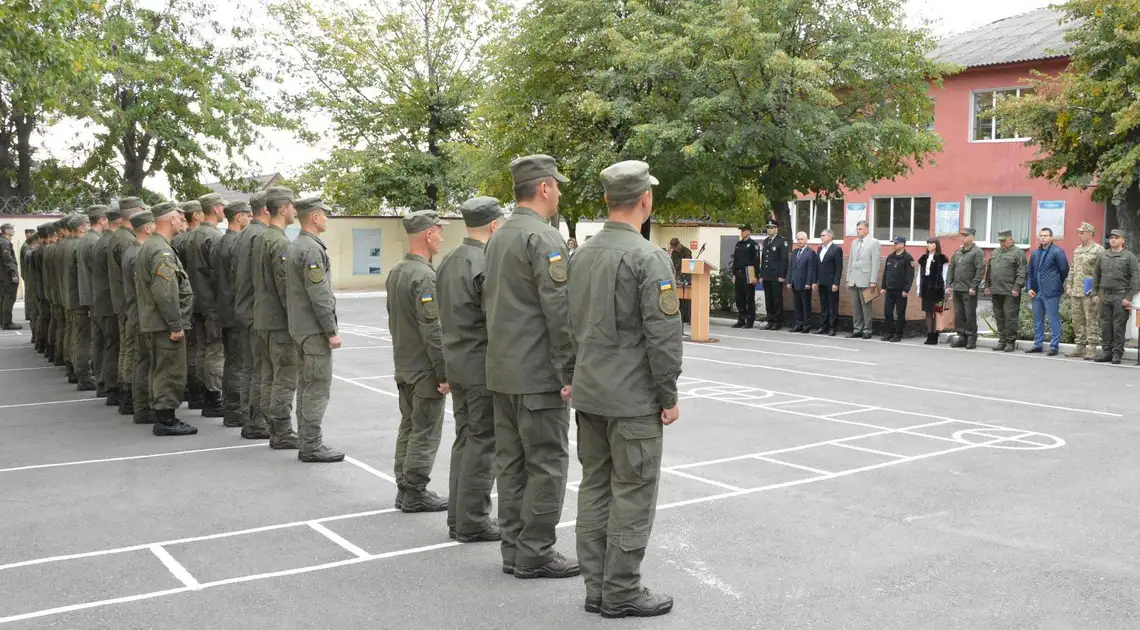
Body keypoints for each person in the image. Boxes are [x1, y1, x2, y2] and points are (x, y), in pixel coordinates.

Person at [567, 160, 680, 618]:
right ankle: (622, 590)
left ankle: (597, 588)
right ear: (645, 200)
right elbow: (663, 336)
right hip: (632, 398)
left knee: (595, 486)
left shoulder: (581, 254)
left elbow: (566, 325)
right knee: (632, 491)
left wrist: (570, 376)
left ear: (608, 201)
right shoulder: (648, 257)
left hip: (590, 392)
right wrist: (668, 394)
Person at [484, 154, 578, 579]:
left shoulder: (498, 237)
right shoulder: (545, 239)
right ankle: (535, 550)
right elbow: (559, 311)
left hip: (502, 369)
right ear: (543, 188)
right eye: (556, 185)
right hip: (538, 374)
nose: (559, 192)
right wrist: (571, 371)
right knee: (546, 462)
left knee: (511, 462)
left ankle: (513, 549)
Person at [436, 196, 502, 542]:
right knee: (482, 442)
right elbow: (494, 319)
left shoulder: (449, 260)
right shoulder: (484, 262)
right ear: (494, 225)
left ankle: (458, 517)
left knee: (465, 439)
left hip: (458, 363)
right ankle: (473, 519)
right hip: (480, 366)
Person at [386, 210, 450, 510]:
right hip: (423, 368)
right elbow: (433, 330)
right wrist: (444, 373)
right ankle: (414, 491)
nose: (441, 236)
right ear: (427, 234)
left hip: (404, 363)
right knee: (424, 430)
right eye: (439, 231)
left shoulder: (398, 271)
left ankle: (404, 486)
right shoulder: (424, 276)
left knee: (409, 426)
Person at [286, 196, 345, 462]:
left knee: (306, 385)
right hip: (313, 331)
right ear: (314, 217)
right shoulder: (310, 249)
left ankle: (306, 440)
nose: (327, 218)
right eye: (324, 214)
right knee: (316, 388)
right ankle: (311, 444)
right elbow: (319, 294)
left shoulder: (298, 245)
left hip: (301, 328)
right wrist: (331, 330)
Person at [136, 202, 197, 436]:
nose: (183, 222)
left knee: (160, 368)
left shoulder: (153, 245)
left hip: (156, 321)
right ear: (171, 220)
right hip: (164, 324)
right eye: (180, 218)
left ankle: (162, 414)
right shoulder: (160, 250)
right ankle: (165, 420)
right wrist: (175, 324)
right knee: (169, 371)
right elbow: (164, 291)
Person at [253, 187, 301, 449]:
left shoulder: (260, 238)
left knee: (269, 376)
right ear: (282, 209)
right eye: (293, 206)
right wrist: (295, 321)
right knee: (284, 377)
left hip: (262, 319)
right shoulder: (280, 242)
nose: (295, 210)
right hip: (278, 322)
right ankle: (282, 431)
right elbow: (285, 286)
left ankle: (273, 427)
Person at [233, 191, 272, 440]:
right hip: (258, 312)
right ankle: (256, 422)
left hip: (245, 309)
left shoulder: (245, 233)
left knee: (250, 368)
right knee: (261, 370)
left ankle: (249, 418)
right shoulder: (261, 235)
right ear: (268, 209)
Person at [186, 192, 227, 418]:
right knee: (214, 351)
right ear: (215, 208)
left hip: (196, 301)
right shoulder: (213, 236)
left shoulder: (191, 236)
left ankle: (202, 394)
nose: (224, 211)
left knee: (202, 349)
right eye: (222, 207)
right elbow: (220, 274)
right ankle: (213, 397)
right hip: (211, 303)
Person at [215, 200, 252, 428]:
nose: (250, 218)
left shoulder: (221, 242)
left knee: (231, 361)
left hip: (226, 309)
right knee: (238, 363)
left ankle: (232, 408)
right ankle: (235, 410)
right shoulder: (236, 243)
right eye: (247, 215)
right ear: (238, 217)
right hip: (236, 311)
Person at [109, 198, 146, 414]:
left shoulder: (120, 236)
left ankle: (127, 393)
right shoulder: (125, 240)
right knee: (131, 350)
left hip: (123, 301)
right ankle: (129, 394)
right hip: (128, 303)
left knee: (127, 348)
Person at [123, 210, 156, 424]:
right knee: (145, 362)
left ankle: (141, 407)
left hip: (138, 313)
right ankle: (143, 408)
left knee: (142, 360)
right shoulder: (138, 253)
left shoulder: (133, 250)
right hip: (142, 315)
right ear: (147, 228)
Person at [1091, 229, 1140, 364]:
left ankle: (1117, 353)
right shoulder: (1102, 255)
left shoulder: (1129, 257)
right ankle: (1106, 351)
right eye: (1111, 237)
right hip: (1104, 295)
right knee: (1105, 325)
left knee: (1118, 326)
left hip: (1120, 295)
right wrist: (1095, 293)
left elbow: (1135, 278)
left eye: (1116, 238)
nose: (1113, 240)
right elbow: (1096, 275)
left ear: (1122, 240)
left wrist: (1129, 297)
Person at [1025, 227, 1069, 356]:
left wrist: (1056, 283)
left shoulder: (1057, 251)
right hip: (1036, 291)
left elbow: (1064, 270)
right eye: (1041, 235)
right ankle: (1038, 344)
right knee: (1038, 319)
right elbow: (1029, 272)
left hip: (1051, 291)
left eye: (1045, 235)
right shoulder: (1035, 253)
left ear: (1051, 238)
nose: (1043, 237)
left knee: (1053, 318)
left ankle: (1054, 346)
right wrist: (1029, 288)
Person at [64, 213, 96, 389]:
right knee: (83, 338)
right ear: (81, 227)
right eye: (87, 224)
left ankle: (75, 370)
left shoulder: (67, 245)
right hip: (80, 299)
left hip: (73, 297)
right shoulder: (79, 245)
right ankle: (84, 376)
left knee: (77, 336)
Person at [79, 207, 108, 396]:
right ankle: (101, 378)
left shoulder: (87, 240)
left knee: (98, 339)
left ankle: (99, 378)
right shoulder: (94, 242)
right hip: (97, 296)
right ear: (103, 219)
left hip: (91, 296)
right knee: (102, 340)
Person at [984, 229, 1027, 352]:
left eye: (1004, 241)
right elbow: (989, 270)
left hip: (1010, 291)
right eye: (1000, 241)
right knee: (999, 317)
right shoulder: (995, 252)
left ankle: (1010, 342)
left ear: (1011, 239)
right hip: (996, 289)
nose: (1002, 243)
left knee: (1010, 317)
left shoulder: (1018, 253)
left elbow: (1022, 272)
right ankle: (1002, 340)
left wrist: (1017, 287)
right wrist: (987, 285)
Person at [1065, 222, 1103, 359]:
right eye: (1079, 232)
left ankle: (1092, 347)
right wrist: (1069, 286)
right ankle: (1080, 347)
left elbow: (1101, 273)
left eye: (1082, 233)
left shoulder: (1098, 250)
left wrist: (1097, 292)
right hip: (1076, 290)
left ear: (1090, 234)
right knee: (1077, 320)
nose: (1079, 235)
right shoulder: (1077, 249)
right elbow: (1072, 269)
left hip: (1089, 291)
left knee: (1091, 319)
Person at [945, 227, 985, 349]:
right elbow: (951, 268)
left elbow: (980, 270)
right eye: (962, 236)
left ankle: (971, 338)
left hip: (969, 290)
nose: (963, 238)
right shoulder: (958, 252)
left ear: (972, 237)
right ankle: (962, 336)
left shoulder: (977, 252)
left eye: (965, 235)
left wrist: (974, 286)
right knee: (959, 314)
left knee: (969, 314)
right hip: (957, 288)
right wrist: (949, 284)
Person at [845, 220, 880, 338]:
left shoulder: (874, 242)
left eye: (860, 229)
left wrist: (873, 280)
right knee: (855, 307)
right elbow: (851, 260)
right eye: (857, 229)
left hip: (866, 279)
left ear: (867, 229)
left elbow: (875, 262)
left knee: (866, 307)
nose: (858, 231)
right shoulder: (854, 243)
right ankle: (857, 329)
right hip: (854, 279)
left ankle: (867, 330)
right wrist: (849, 278)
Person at [880, 236, 915, 342]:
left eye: (896, 243)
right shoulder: (890, 257)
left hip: (901, 291)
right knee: (887, 312)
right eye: (893, 243)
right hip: (889, 289)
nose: (894, 245)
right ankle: (889, 332)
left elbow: (910, 275)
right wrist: (883, 286)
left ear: (902, 244)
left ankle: (898, 334)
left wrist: (906, 289)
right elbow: (886, 273)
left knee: (900, 313)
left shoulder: (908, 258)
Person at [916, 239, 949, 345]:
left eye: (931, 243)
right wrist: (918, 288)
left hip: (937, 288)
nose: (929, 245)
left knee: (936, 311)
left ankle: (935, 334)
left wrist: (944, 288)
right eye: (928, 243)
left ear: (936, 245)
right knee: (928, 311)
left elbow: (944, 274)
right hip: (926, 287)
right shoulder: (923, 258)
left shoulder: (941, 258)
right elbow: (919, 275)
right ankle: (929, 333)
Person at [786, 231, 817, 333]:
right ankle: (798, 324)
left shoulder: (811, 252)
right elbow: (790, 267)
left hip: (804, 283)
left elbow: (811, 268)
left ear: (806, 240)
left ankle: (806, 325)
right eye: (798, 239)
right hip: (795, 283)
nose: (800, 241)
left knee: (805, 305)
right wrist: (789, 281)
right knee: (797, 305)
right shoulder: (794, 252)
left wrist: (809, 282)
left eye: (802, 239)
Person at [759, 220, 788, 329]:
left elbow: (783, 260)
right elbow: (764, 259)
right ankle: (770, 320)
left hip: (776, 275)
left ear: (776, 229)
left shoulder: (781, 241)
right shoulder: (766, 241)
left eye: (771, 228)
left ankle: (777, 321)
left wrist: (782, 275)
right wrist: (762, 275)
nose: (769, 230)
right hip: (767, 275)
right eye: (768, 227)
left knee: (776, 299)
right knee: (768, 299)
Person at [730, 225, 760, 328]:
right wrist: (734, 274)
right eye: (741, 231)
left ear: (749, 231)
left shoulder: (753, 244)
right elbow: (736, 260)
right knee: (739, 297)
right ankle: (741, 319)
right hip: (739, 272)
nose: (742, 232)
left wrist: (756, 275)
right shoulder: (739, 244)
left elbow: (756, 261)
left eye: (744, 230)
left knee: (749, 297)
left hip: (749, 272)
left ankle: (750, 320)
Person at [815, 229, 843, 335]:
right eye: (821, 235)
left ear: (830, 237)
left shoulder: (836, 249)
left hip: (831, 283)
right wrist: (817, 280)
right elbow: (818, 266)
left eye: (823, 235)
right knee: (824, 305)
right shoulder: (819, 249)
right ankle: (823, 326)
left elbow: (838, 268)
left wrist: (836, 283)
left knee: (832, 306)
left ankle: (832, 327)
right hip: (822, 282)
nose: (821, 237)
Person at [0, 222, 19, 330]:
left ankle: (3, 320)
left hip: (3, 275)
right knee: (9, 298)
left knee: (3, 298)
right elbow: (7, 260)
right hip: (7, 275)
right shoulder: (5, 243)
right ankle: (7, 322)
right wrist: (13, 273)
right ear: (6, 231)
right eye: (11, 229)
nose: (13, 230)